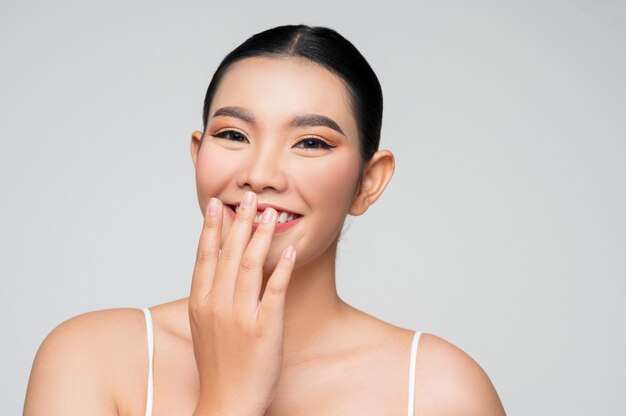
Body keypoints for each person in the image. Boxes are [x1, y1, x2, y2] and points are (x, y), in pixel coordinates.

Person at [23, 24, 506, 415]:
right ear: (198, 154)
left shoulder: (441, 392)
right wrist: (228, 398)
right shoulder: (88, 359)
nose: (260, 175)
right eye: (233, 134)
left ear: (369, 181)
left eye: (311, 142)